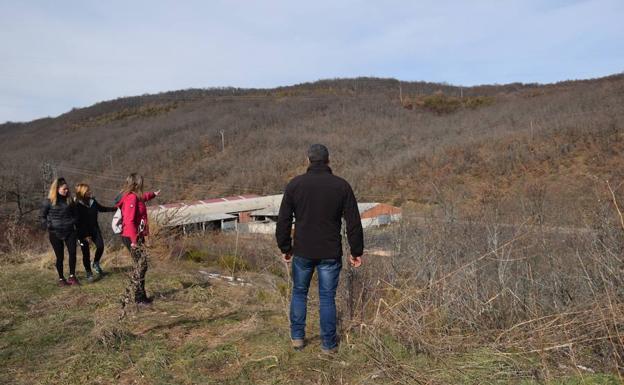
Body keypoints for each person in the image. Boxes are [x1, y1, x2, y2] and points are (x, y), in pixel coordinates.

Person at [276, 144, 364, 353]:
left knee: (299, 292)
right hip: (330, 252)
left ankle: (297, 338)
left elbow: (283, 220)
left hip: (303, 251)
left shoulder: (295, 185)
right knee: (327, 297)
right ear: (328, 161)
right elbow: (353, 221)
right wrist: (356, 251)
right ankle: (328, 345)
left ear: (308, 160)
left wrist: (286, 247)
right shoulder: (341, 186)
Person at [116, 173, 160, 307]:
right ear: (136, 184)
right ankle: (139, 297)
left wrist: (153, 194)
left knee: (141, 265)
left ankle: (136, 295)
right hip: (132, 236)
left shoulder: (136, 197)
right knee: (141, 265)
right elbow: (129, 221)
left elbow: (142, 198)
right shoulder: (131, 199)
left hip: (135, 235)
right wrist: (134, 241)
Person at [40, 177, 80, 286]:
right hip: (55, 233)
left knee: (72, 253)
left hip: (70, 231)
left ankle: (72, 276)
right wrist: (49, 226)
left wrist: (72, 222)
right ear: (56, 189)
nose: (66, 191)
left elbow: (76, 215)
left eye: (67, 189)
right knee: (60, 257)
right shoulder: (48, 202)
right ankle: (61, 278)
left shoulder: (70, 200)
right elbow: (42, 217)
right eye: (64, 189)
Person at [74, 183, 116, 281]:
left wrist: (115, 208)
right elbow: (77, 222)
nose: (90, 192)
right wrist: (84, 235)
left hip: (94, 230)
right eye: (88, 190)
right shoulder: (76, 205)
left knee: (100, 246)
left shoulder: (93, 201)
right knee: (86, 254)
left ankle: (96, 263)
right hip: (82, 233)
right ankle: (89, 273)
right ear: (82, 192)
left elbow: (102, 208)